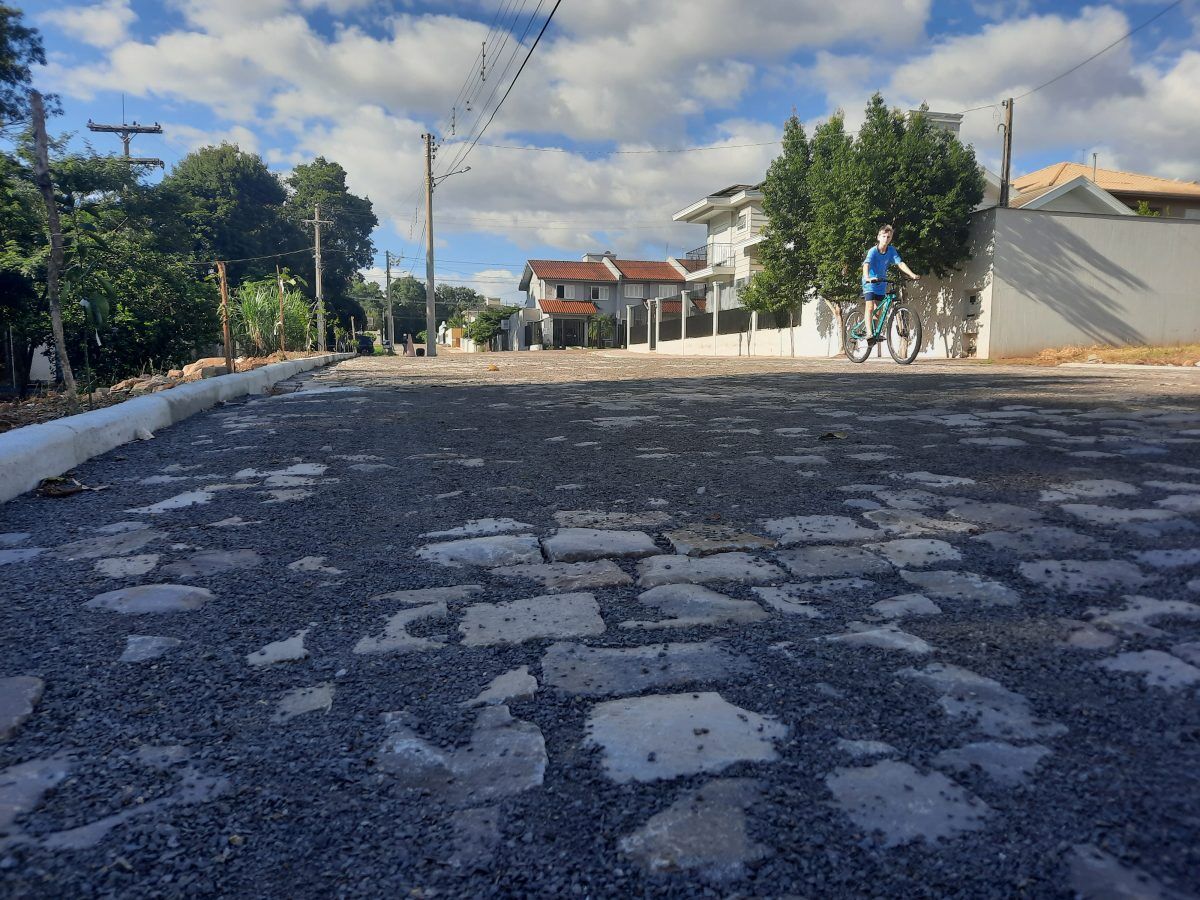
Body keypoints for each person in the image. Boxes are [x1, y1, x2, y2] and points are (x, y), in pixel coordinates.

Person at [862, 225, 919, 342]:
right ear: (878, 237)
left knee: (879, 310)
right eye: (883, 236)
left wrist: (911, 274)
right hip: (870, 282)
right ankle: (869, 333)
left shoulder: (891, 250)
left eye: (888, 237)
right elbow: (866, 265)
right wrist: (867, 277)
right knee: (870, 307)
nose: (886, 239)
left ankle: (875, 333)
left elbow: (900, 263)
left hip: (881, 282)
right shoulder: (873, 251)